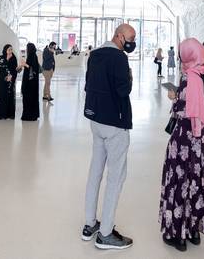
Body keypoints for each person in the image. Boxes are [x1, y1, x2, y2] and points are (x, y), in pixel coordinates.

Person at [159, 38, 204, 252]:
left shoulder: (188, 79)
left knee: (179, 181)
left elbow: (182, 111)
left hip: (185, 138)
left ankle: (177, 235)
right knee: (198, 180)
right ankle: (193, 230)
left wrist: (174, 97)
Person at [81, 23, 137, 250]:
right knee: (116, 177)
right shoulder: (120, 59)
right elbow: (124, 90)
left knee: (95, 171)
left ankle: (89, 223)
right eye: (131, 37)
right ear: (119, 36)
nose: (133, 42)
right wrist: (130, 77)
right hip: (115, 123)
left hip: (96, 120)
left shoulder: (94, 55)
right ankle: (105, 234)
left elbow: (88, 85)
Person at [0, 44, 22, 120]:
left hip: (11, 81)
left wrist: (18, 69)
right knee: (2, 95)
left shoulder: (14, 58)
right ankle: (1, 114)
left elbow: (15, 69)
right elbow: (1, 65)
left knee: (9, 96)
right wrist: (6, 59)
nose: (10, 51)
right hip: (2, 80)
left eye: (11, 49)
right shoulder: (1, 57)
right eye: (9, 49)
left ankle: (9, 115)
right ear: (5, 50)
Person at [21, 43, 41, 121]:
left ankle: (29, 116)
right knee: (29, 98)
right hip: (31, 83)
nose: (26, 49)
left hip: (30, 83)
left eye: (27, 48)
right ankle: (31, 115)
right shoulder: (32, 56)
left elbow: (33, 68)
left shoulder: (32, 56)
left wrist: (25, 64)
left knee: (29, 98)